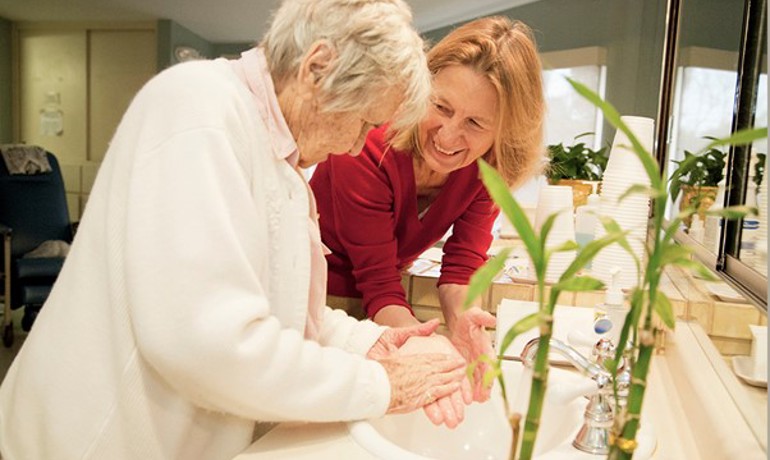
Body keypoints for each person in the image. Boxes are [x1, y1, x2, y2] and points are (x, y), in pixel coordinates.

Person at [0, 1, 472, 459]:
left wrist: (367, 343)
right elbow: (207, 342)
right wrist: (383, 385)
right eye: (363, 121)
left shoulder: (280, 159)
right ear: (318, 68)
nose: (354, 145)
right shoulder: (197, 108)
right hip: (89, 443)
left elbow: (275, 304)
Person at [309, 16, 546, 416]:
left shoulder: (488, 167)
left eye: (474, 123)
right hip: (321, 303)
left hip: (383, 306)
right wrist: (423, 349)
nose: (448, 136)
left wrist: (463, 314)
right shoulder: (366, 148)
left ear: (502, 132)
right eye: (441, 106)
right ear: (421, 89)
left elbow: (460, 266)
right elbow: (380, 285)